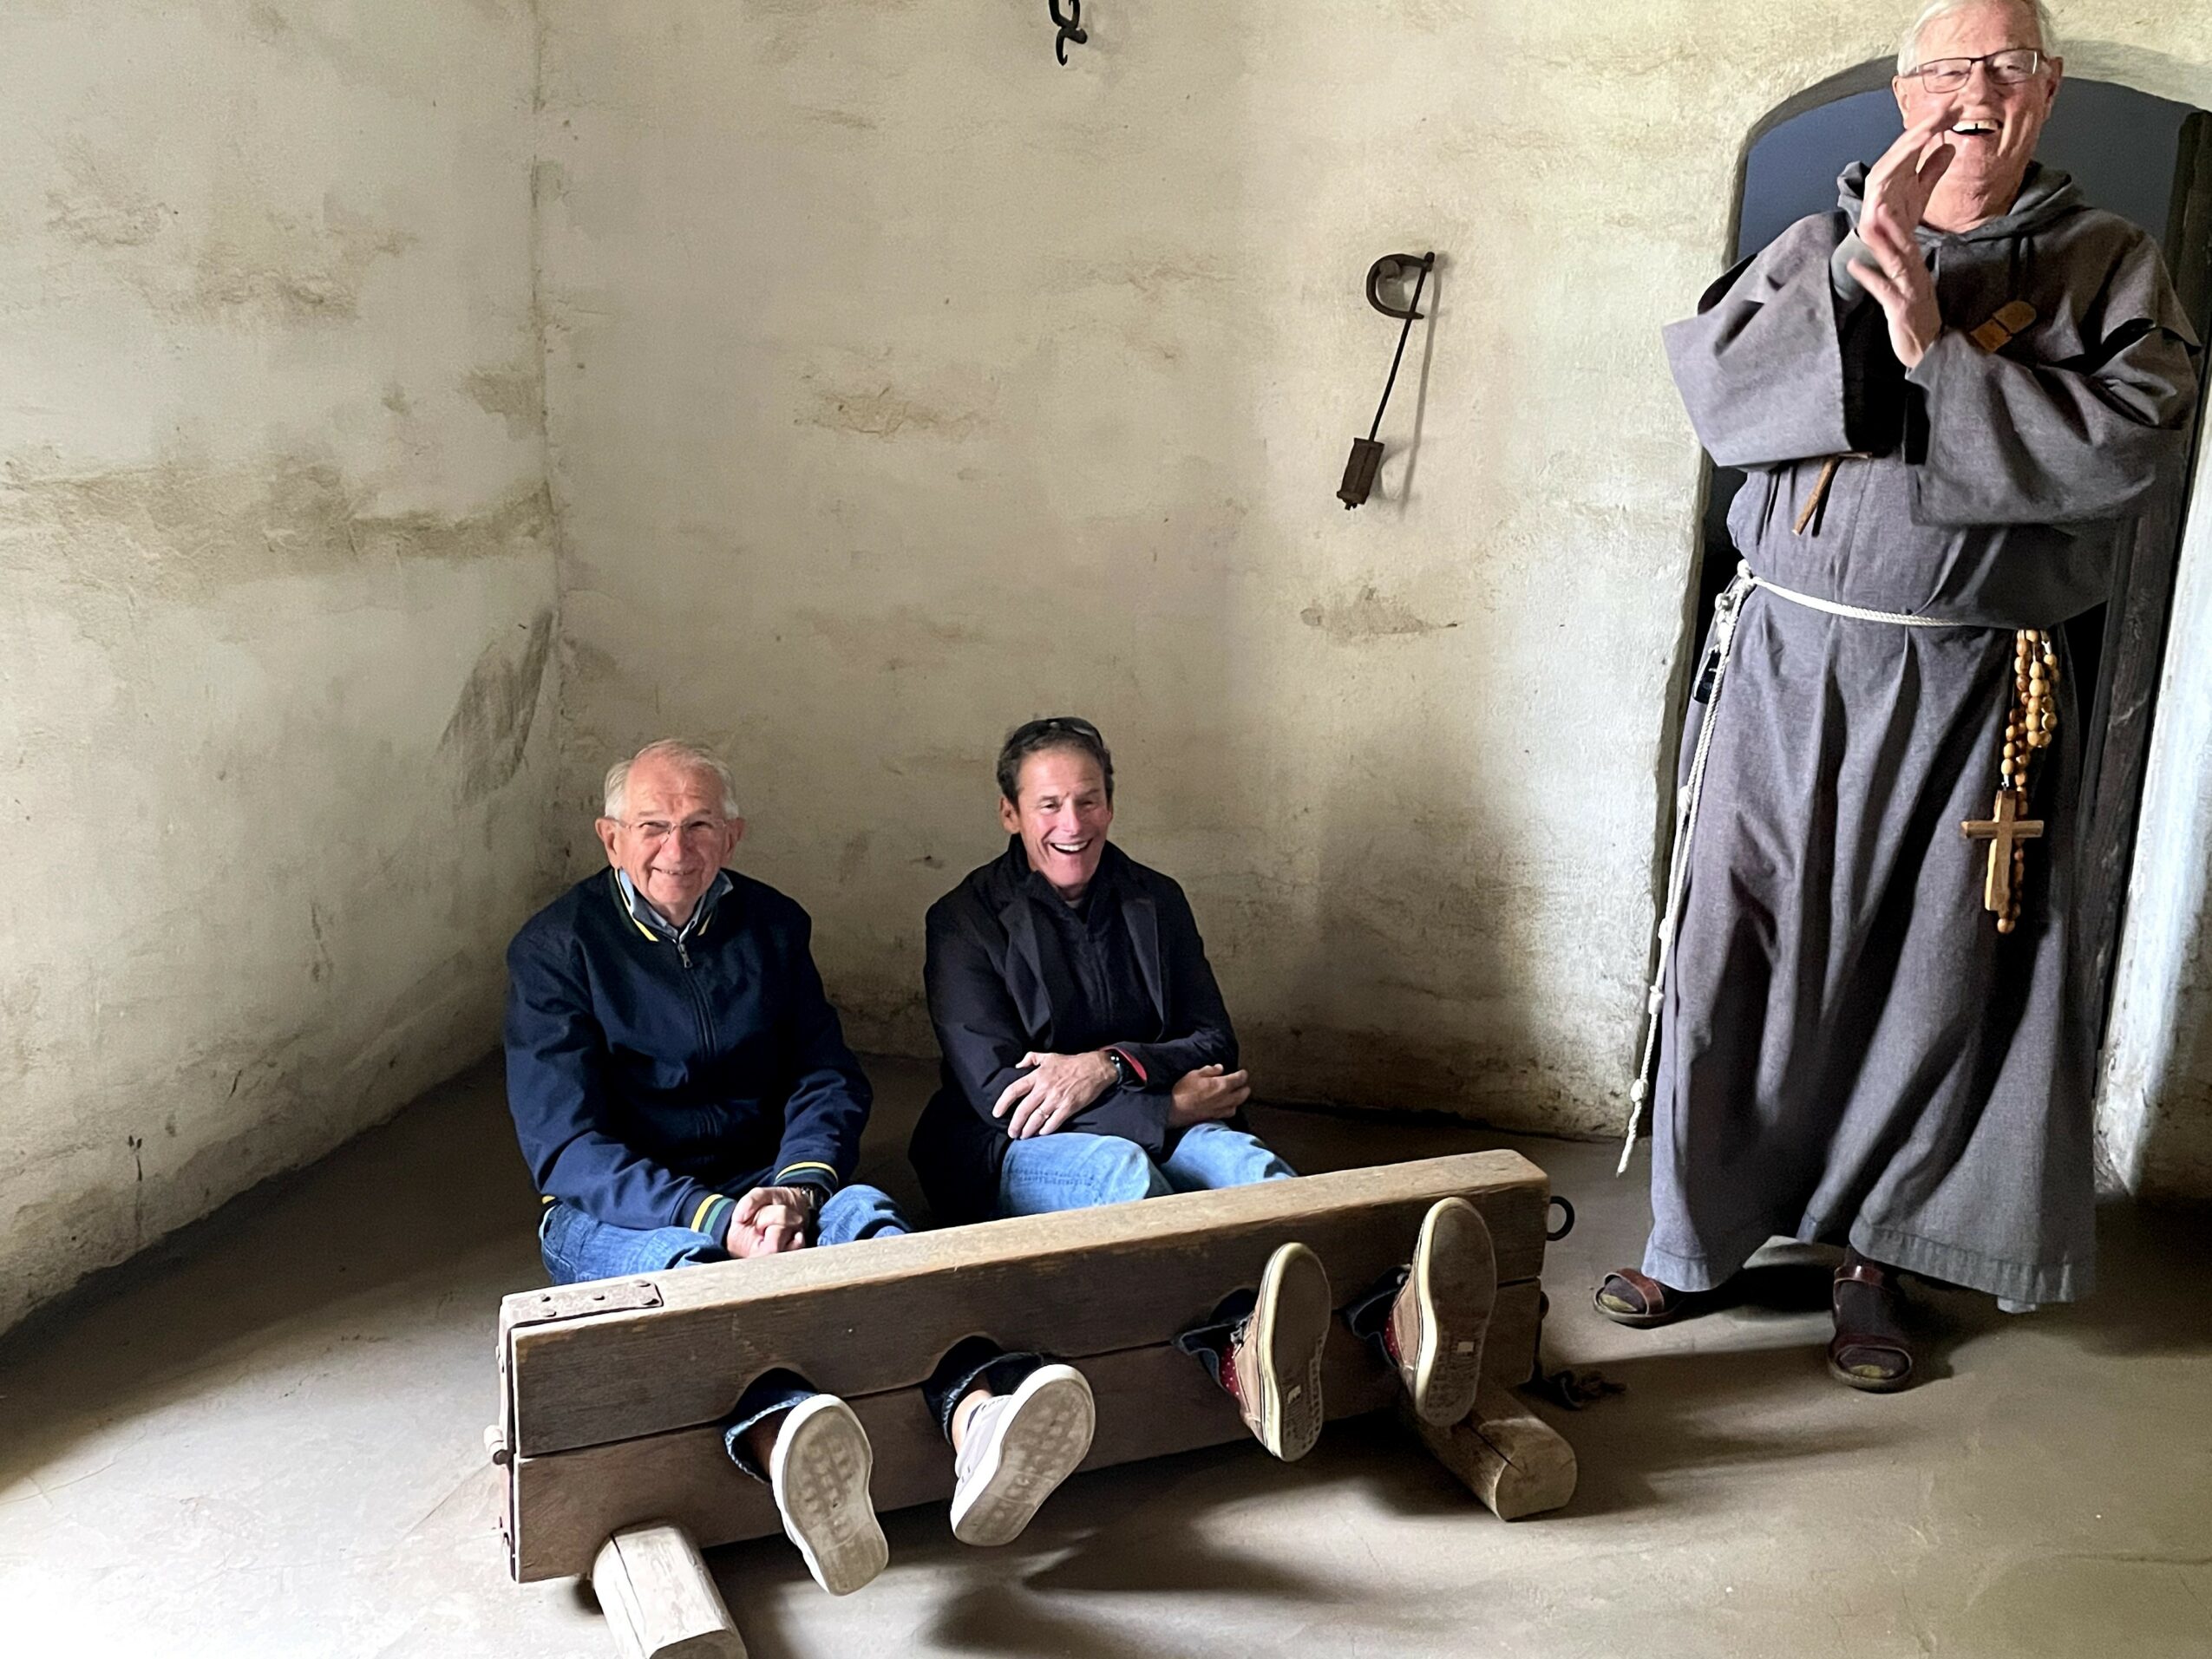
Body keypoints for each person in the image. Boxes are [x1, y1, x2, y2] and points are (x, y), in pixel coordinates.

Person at [1607, 0, 2200, 1389]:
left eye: (2004, 67)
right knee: (1727, 954)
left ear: (2045, 91)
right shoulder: (1814, 242)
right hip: (1782, 667)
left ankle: (1877, 1257)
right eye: (1946, 68)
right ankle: (1697, 1238)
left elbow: (2129, 450)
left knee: (1922, 974)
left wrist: (1938, 345)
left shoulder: (2107, 263)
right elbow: (1719, 400)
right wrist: (1847, 291)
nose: (1971, 93)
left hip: (1964, 687)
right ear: (1900, 89)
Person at [504, 739, 1096, 1596]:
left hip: (767, 1182)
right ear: (609, 837)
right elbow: (567, 1145)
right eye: (653, 826)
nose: (677, 848)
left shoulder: (774, 925)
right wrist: (713, 1216)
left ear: (734, 835)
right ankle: (794, 1449)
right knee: (696, 1282)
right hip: (628, 1207)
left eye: (700, 824)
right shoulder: (554, 949)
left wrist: (794, 1183)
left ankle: (978, 1417)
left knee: (876, 1227)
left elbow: (826, 1075)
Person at [912, 716, 1499, 1458]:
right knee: (1127, 1173)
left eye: (1088, 801)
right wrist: (1168, 1103)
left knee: (1249, 1169)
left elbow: (1214, 1041)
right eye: (1049, 805)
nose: (1072, 823)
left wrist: (1112, 1065)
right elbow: (1004, 1094)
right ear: (1010, 813)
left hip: (1156, 1112)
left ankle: (1390, 1321)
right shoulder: (962, 921)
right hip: (1010, 1145)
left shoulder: (1156, 898)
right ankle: (1237, 1344)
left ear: (1111, 804)